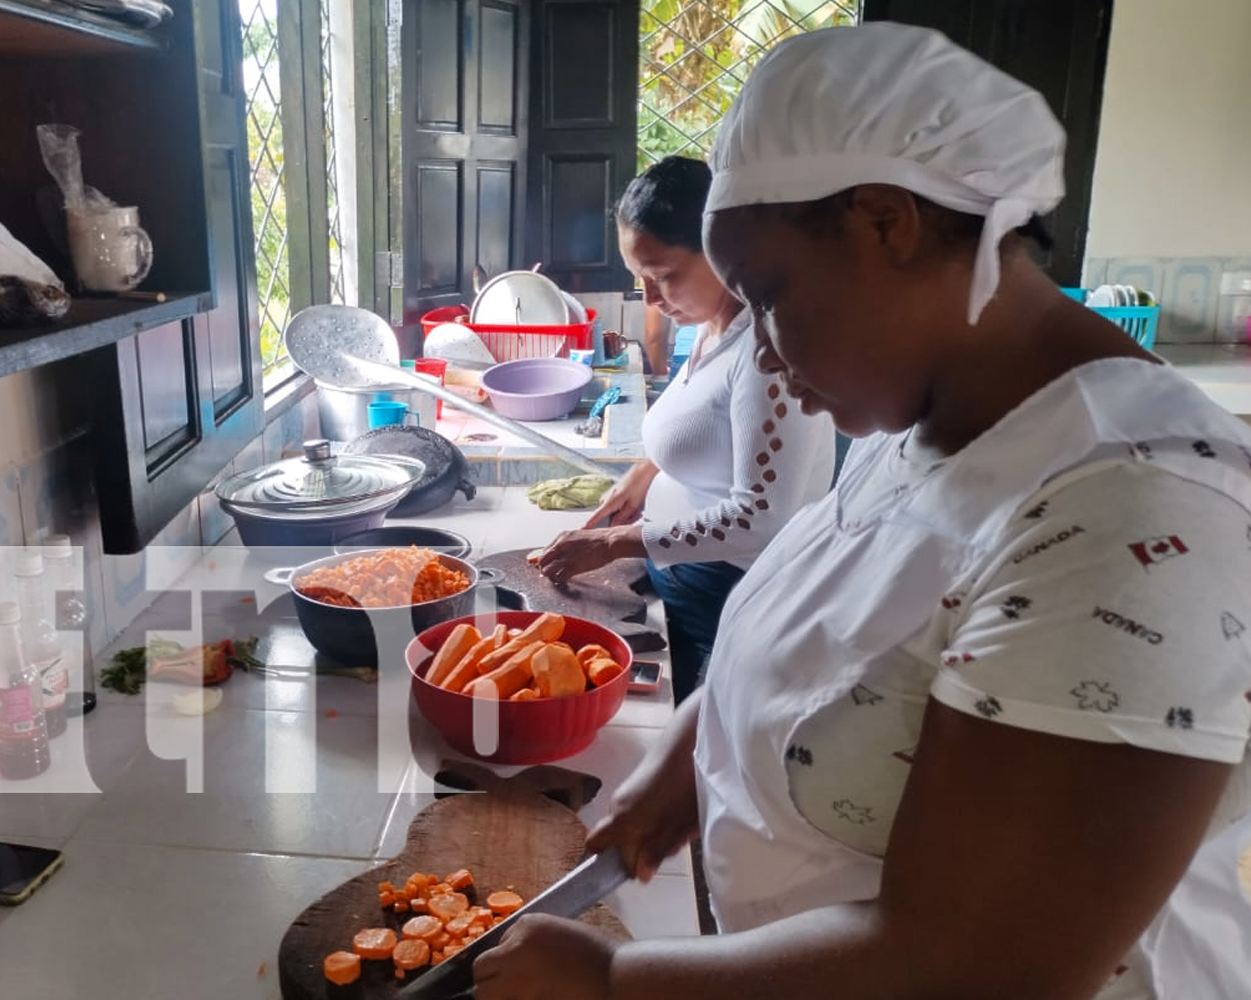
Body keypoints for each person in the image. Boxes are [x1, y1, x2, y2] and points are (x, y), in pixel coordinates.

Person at [474, 23, 1251, 1000]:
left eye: (770, 296)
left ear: (888, 223)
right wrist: (698, 745)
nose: (758, 351)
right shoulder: (923, 421)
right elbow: (840, 633)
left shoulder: (1136, 513)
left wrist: (614, 979)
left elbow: (972, 964)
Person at [534, 156, 836, 704]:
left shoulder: (767, 357)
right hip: (676, 577)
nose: (651, 299)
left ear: (722, 248)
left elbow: (760, 517)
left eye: (664, 276)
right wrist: (646, 474)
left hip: (724, 600)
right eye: (639, 279)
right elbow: (709, 425)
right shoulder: (711, 326)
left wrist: (612, 542)